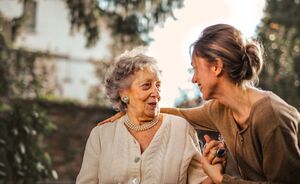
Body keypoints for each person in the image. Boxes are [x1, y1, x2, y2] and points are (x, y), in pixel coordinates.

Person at [161, 24, 300, 183]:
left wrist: (219, 178)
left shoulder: (271, 116)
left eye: (196, 68)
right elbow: (180, 115)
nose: (194, 79)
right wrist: (132, 109)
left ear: (217, 67)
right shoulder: (219, 110)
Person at [76, 50, 224, 184]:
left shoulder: (181, 129)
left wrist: (213, 168)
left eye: (158, 86)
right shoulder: (101, 136)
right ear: (123, 93)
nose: (156, 93)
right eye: (146, 86)